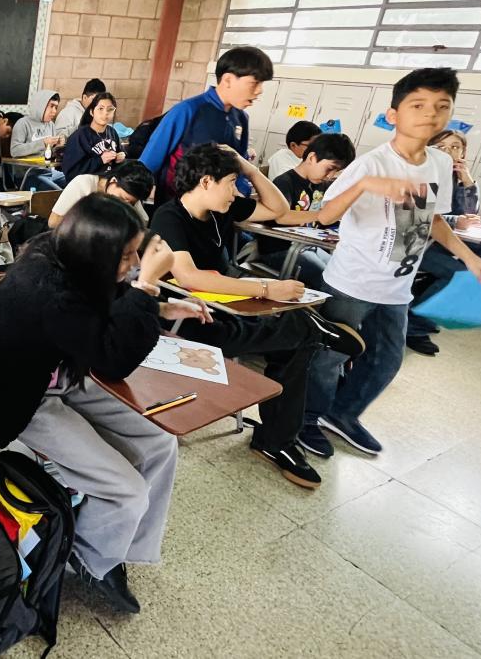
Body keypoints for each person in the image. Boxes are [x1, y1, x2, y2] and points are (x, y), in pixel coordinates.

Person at [0, 194, 205, 613]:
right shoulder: (49, 287)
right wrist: (146, 287)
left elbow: (103, 302)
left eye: (135, 252)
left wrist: (160, 305)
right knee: (129, 490)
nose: (133, 263)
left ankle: (119, 547)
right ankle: (90, 558)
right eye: (127, 255)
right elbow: (112, 359)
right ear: (96, 249)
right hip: (24, 400)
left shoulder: (66, 251)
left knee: (161, 444)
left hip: (63, 375)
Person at [300, 68, 481, 459]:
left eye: (441, 106)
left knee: (385, 360)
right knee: (330, 356)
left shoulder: (438, 163)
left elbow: (431, 219)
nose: (430, 114)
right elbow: (324, 215)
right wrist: (366, 185)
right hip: (352, 283)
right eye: (418, 105)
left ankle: (342, 414)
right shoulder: (371, 164)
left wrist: (468, 256)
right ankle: (304, 420)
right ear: (393, 114)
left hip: (396, 286)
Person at [150, 143, 364, 489]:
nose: (235, 192)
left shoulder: (221, 209)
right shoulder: (169, 216)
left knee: (295, 344)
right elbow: (188, 277)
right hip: (192, 319)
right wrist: (265, 288)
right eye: (231, 183)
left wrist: (249, 169)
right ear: (206, 181)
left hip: (229, 307)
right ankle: (278, 436)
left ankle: (277, 438)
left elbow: (278, 209)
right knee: (298, 333)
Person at [405, 129, 481, 356]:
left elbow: (470, 213)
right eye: (441, 147)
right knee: (462, 275)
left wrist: (468, 183)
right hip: (415, 242)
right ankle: (414, 327)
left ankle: (431, 287)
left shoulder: (455, 177)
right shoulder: (420, 173)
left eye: (455, 147)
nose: (448, 152)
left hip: (440, 241)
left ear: (463, 153)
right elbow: (418, 216)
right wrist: (455, 221)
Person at [140, 46, 274, 198]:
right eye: (254, 83)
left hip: (221, 206)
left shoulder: (241, 118)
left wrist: (242, 193)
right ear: (228, 80)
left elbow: (240, 167)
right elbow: (148, 163)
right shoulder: (187, 111)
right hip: (177, 205)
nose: (260, 91)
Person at [257, 134, 356, 289]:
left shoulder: (321, 185)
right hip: (280, 250)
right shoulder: (284, 182)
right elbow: (281, 217)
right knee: (330, 282)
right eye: (330, 169)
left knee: (346, 276)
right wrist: (322, 215)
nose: (330, 176)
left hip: (307, 247)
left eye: (336, 171)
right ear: (311, 157)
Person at [48, 160, 154, 227]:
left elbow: (143, 223)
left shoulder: (130, 194)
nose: (123, 204)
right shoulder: (84, 184)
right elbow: (53, 222)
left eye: (130, 203)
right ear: (113, 180)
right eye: (121, 198)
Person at [8, 89, 66, 191]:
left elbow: (50, 154)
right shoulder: (23, 123)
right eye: (51, 106)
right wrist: (43, 143)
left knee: (75, 182)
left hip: (48, 172)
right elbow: (15, 151)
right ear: (40, 105)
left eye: (56, 107)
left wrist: (58, 147)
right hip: (27, 175)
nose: (54, 111)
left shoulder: (51, 125)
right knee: (56, 192)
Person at [61, 92, 125, 180]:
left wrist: (121, 157)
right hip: (86, 185)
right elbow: (70, 172)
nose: (105, 113)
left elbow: (120, 154)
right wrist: (100, 160)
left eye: (110, 109)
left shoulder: (112, 132)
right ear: (91, 112)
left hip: (109, 182)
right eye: (101, 109)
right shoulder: (79, 136)